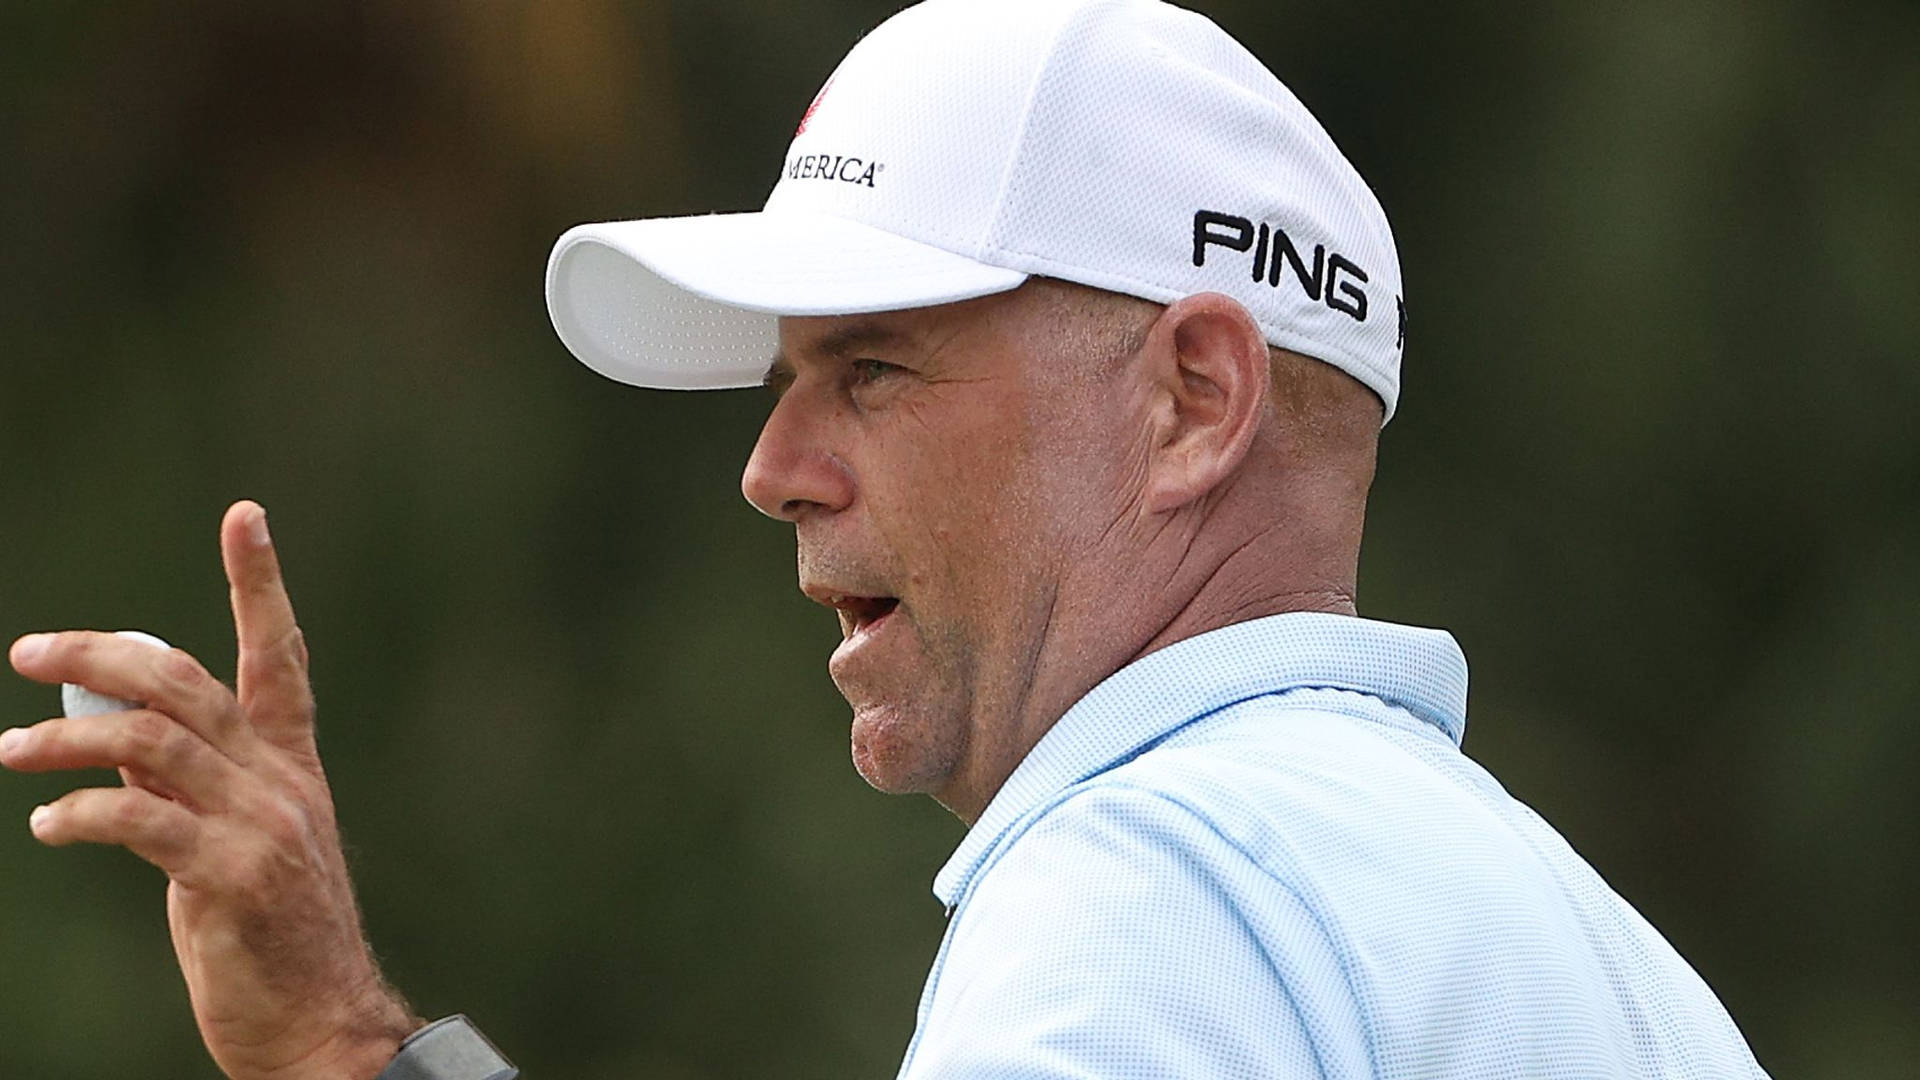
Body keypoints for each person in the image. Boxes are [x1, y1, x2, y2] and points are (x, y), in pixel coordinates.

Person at [3, 0, 1771, 1077]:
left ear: (1195, 401)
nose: (771, 468)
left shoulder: (1163, 883)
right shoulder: (1552, 936)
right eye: (785, 382)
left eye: (873, 367)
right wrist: (351, 1053)